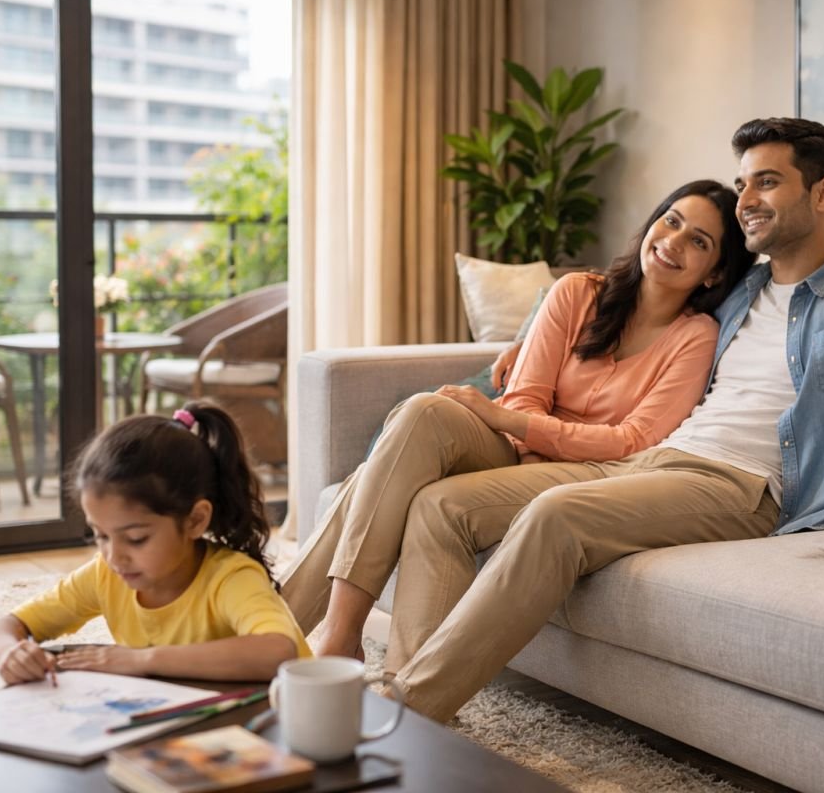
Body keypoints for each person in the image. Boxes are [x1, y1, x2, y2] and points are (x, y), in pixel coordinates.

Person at [382, 117, 824, 723]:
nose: (744, 202)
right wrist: (530, 336)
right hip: (653, 464)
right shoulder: (737, 290)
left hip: (743, 485)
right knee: (444, 507)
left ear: (822, 194)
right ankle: (397, 677)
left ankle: (409, 711)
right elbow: (629, 294)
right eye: (743, 184)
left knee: (556, 516)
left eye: (766, 183)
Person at [280, 179, 759, 665]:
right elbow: (527, 396)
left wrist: (521, 436)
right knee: (423, 411)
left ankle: (295, 640)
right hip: (512, 445)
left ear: (715, 273)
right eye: (671, 220)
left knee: (374, 482)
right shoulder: (577, 292)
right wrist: (526, 447)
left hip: (590, 473)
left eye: (699, 241)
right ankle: (338, 638)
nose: (673, 241)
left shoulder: (696, 338)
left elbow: (633, 441)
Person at [0, 402, 311, 684]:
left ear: (196, 520)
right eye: (101, 535)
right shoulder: (105, 575)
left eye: (136, 539)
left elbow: (278, 651)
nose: (114, 556)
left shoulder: (231, 577)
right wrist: (8, 653)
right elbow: (4, 627)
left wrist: (142, 659)